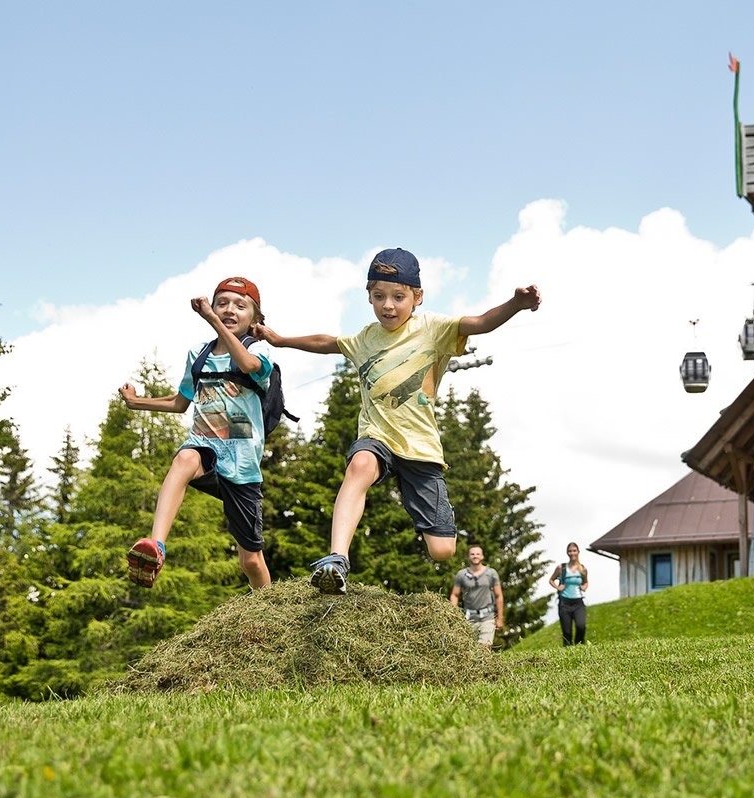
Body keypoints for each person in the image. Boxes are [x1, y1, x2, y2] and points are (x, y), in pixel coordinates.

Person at [254, 247, 541, 594]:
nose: (388, 306)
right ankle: (336, 559)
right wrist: (280, 340)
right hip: (378, 437)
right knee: (360, 464)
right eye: (379, 297)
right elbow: (327, 342)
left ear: (417, 297)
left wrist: (515, 304)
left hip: (420, 448)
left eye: (398, 297)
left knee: (442, 550)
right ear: (369, 296)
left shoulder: (434, 329)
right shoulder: (364, 339)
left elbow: (480, 323)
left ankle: (412, 499)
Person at [121, 276, 276, 590]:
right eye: (222, 303)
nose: (229, 310)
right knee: (184, 459)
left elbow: (245, 365)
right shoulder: (199, 356)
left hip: (241, 463)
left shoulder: (260, 355)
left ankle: (269, 606)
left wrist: (212, 319)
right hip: (205, 446)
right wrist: (136, 402)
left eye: (240, 305)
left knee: (250, 561)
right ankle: (156, 546)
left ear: (255, 319)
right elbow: (180, 402)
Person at [450, 545, 504, 647]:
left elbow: (498, 595)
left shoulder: (491, 573)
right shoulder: (461, 575)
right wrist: (453, 614)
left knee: (484, 650)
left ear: (482, 556)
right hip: (469, 619)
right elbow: (454, 595)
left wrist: (500, 618)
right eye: (472, 554)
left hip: (487, 618)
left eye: (478, 554)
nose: (475, 556)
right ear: (468, 557)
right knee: (470, 651)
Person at [551, 543, 589, 646]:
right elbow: (551, 580)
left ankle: (579, 646)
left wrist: (584, 587)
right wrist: (558, 587)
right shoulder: (561, 568)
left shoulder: (583, 569)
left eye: (574, 550)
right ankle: (567, 652)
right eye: (570, 551)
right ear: (567, 553)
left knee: (581, 626)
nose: (572, 553)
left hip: (578, 603)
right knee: (567, 632)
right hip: (564, 603)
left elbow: (585, 582)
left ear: (578, 552)